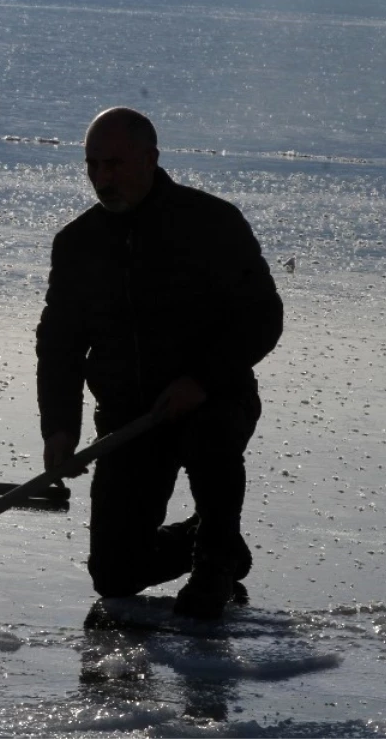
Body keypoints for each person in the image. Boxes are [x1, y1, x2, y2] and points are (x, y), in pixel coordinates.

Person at [36, 107, 283, 619]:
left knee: (210, 437)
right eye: (93, 165)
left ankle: (214, 563)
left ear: (150, 159)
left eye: (115, 164)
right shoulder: (78, 244)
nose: (103, 178)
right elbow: (59, 342)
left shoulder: (212, 223)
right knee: (114, 575)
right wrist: (60, 428)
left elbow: (263, 317)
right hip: (130, 420)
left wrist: (201, 379)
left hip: (213, 398)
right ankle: (213, 539)